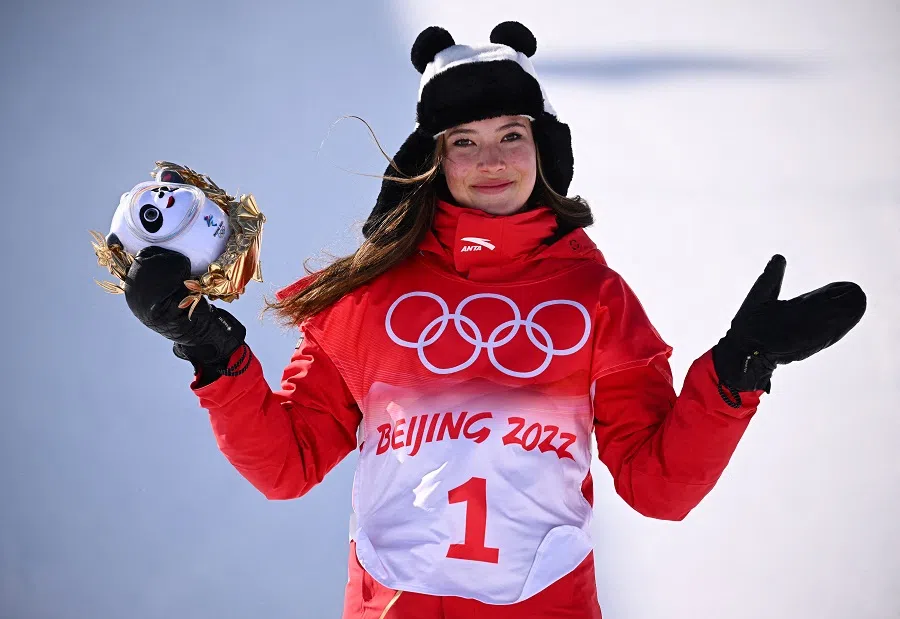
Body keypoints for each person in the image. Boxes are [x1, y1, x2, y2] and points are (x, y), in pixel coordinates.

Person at [121, 22, 867, 619]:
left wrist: (737, 373)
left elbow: (657, 487)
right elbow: (288, 465)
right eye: (464, 142)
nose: (492, 160)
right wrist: (211, 352)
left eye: (512, 134)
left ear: (544, 147)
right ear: (433, 158)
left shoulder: (596, 298)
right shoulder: (369, 297)